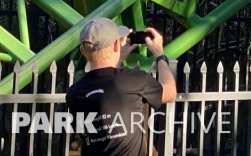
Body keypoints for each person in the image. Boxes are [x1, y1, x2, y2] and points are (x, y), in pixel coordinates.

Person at [65, 19, 176, 156]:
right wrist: (160, 54)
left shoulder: (74, 93)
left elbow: (97, 133)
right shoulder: (134, 80)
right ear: (116, 45)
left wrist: (117, 58)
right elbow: (170, 93)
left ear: (82, 51)